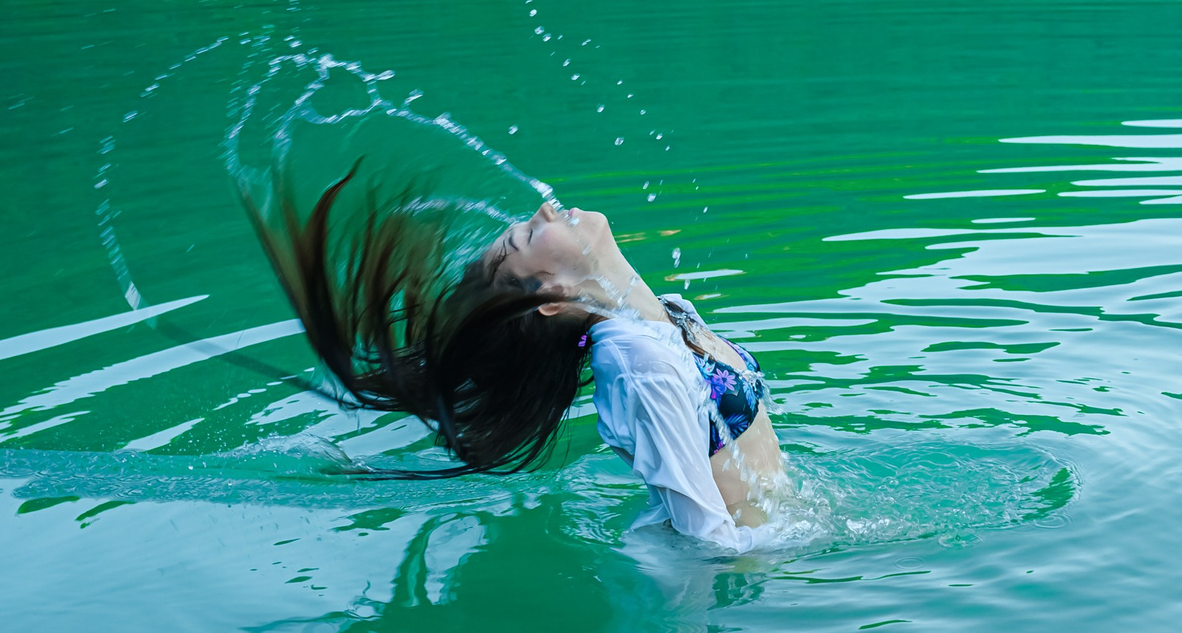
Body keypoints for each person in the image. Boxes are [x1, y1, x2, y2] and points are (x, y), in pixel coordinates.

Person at [248, 178, 791, 551]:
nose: (545, 211)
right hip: (739, 564)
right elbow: (702, 531)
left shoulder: (664, 316)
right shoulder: (635, 359)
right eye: (528, 237)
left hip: (780, 537)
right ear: (551, 297)